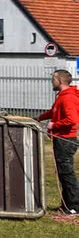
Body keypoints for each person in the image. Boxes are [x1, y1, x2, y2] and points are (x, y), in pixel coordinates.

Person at [37, 70, 79, 215]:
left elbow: (72, 120)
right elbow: (53, 111)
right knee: (62, 172)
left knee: (67, 173)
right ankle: (67, 204)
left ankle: (75, 205)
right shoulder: (62, 97)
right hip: (61, 139)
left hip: (65, 139)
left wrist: (54, 125)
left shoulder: (68, 98)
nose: (52, 81)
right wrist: (39, 118)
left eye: (53, 78)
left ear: (60, 80)